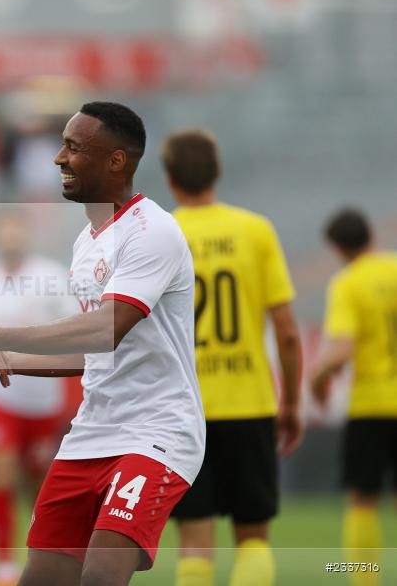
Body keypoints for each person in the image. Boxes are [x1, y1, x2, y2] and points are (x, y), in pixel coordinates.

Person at [0, 101, 205, 586]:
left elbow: (106, 329)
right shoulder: (87, 241)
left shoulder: (152, 231)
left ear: (115, 161)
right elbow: (95, 353)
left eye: (73, 148)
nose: (59, 158)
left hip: (155, 433)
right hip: (91, 433)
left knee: (100, 576)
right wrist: (3, 359)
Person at [159, 129, 303, 586]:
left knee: (194, 541)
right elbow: (287, 332)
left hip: (184, 410)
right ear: (217, 172)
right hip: (249, 403)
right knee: (254, 538)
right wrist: (292, 403)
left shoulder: (162, 233)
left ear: (170, 178)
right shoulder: (255, 230)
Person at [0, 209, 79, 586]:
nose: (10, 237)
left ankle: (42, 559)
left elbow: (74, 334)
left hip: (42, 397)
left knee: (38, 483)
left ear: (26, 235)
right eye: (4, 230)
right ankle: (2, 567)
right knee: (1, 471)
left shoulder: (51, 276)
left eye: (16, 230)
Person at [310, 209, 397, 586]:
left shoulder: (349, 282)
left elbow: (342, 349)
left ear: (339, 248)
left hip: (373, 405)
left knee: (363, 499)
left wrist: (317, 378)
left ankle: (365, 581)